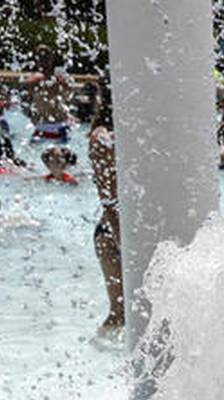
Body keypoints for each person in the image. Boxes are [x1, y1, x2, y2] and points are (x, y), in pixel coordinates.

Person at [88, 95, 124, 336]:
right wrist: (120, 233)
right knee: (119, 313)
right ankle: (101, 362)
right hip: (111, 231)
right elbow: (108, 196)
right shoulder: (101, 135)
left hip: (119, 229)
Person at [23, 46, 73, 143]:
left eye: (44, 57)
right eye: (42, 57)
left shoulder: (33, 80)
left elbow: (24, 103)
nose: (43, 60)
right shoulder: (61, 79)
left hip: (46, 128)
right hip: (56, 127)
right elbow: (68, 96)